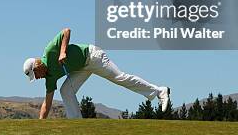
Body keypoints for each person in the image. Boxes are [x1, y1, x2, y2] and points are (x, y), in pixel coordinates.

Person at [23, 28, 170, 119]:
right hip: (81, 68)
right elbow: (46, 104)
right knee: (65, 90)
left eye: (35, 74)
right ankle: (76, 123)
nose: (37, 77)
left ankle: (159, 91)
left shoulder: (49, 51)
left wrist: (62, 51)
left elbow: (66, 31)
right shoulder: (49, 78)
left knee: (120, 78)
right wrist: (40, 125)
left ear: (37, 66)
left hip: (93, 56)